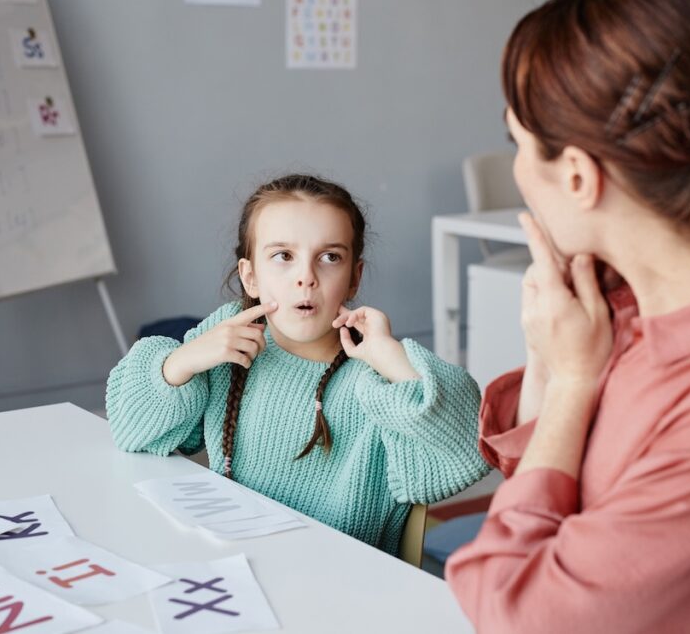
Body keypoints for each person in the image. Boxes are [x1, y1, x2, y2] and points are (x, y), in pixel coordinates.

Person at [445, 0, 690, 633]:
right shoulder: (631, 298)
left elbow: (514, 605)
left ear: (580, 177)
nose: (522, 173)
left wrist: (571, 384)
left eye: (519, 146)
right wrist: (548, 357)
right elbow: (538, 474)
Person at [107, 174, 490, 555]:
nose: (305, 278)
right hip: (235, 562)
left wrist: (397, 362)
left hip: (341, 584)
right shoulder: (233, 336)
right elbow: (131, 432)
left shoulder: (374, 374)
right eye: (283, 257)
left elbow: (469, 450)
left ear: (354, 278)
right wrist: (183, 361)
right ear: (250, 276)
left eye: (329, 257)